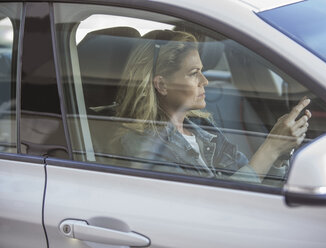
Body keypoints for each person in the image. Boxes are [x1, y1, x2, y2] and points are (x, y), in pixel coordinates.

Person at [116, 30, 311, 184]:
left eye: (202, 71)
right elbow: (213, 207)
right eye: (194, 73)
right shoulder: (142, 144)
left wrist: (279, 155)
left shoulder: (202, 127)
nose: (205, 81)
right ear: (162, 85)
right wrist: (271, 148)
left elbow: (255, 185)